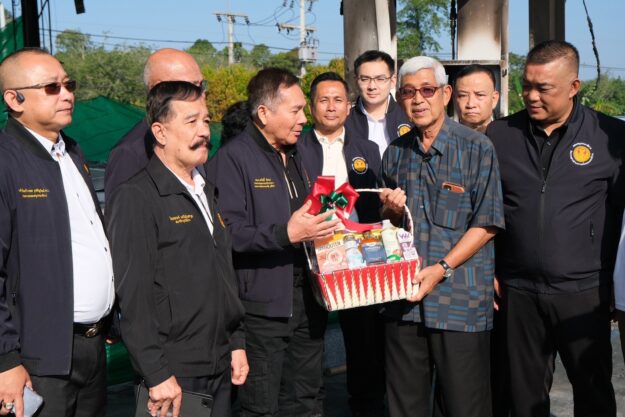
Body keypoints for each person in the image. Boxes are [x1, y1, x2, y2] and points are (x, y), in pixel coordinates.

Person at [487, 40, 625, 417]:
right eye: (526, 85)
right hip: (518, 291)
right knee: (523, 398)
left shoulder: (610, 137)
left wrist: (617, 286)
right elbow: (484, 210)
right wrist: (490, 269)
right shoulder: (500, 135)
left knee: (593, 393)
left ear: (573, 87)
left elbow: (621, 218)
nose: (531, 96)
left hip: (584, 292)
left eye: (543, 88)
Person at [106, 81, 247, 417]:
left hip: (219, 362)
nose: (204, 131)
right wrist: (155, 373)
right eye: (191, 121)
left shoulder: (205, 189)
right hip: (173, 372)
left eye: (206, 120)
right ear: (160, 132)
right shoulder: (137, 196)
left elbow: (223, 275)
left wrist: (236, 342)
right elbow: (133, 296)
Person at [380, 56, 504, 417]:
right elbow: (388, 227)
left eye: (427, 90)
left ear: (445, 94)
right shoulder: (395, 154)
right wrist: (390, 211)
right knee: (405, 406)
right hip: (404, 301)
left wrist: (441, 268)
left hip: (459, 301)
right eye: (408, 92)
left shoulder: (476, 148)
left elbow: (488, 223)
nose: (418, 99)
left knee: (465, 406)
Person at [212, 68, 340, 417]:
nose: (304, 119)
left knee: (307, 398)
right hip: (262, 310)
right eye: (295, 110)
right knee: (261, 405)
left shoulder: (302, 153)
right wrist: (286, 234)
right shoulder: (233, 159)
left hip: (309, 299)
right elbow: (228, 234)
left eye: (303, 110)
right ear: (264, 113)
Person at [0, 47, 115, 417]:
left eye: (69, 85)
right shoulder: (6, 162)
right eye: (51, 87)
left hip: (92, 347)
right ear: (14, 99)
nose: (67, 94)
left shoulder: (72, 152)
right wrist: (5, 361)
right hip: (38, 359)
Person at [298, 72, 384, 417]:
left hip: (356, 258)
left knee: (363, 343)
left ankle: (365, 406)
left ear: (349, 107)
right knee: (309, 342)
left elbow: (375, 203)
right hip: (309, 256)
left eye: (338, 100)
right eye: (323, 100)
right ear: (311, 106)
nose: (331, 107)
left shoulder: (368, 149)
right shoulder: (296, 148)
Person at [104, 48, 205, 197]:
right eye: (191, 87)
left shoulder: (197, 139)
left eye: (202, 85)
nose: (202, 94)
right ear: (158, 89)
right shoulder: (130, 154)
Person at [345, 50, 412, 157]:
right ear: (356, 82)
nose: (372, 86)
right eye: (365, 79)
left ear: (393, 81)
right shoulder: (344, 122)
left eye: (380, 79)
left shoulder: (410, 118)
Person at [453, 64, 500, 133]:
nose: (470, 104)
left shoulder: (509, 137)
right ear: (454, 99)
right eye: (463, 95)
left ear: (494, 99)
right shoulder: (441, 137)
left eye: (480, 95)